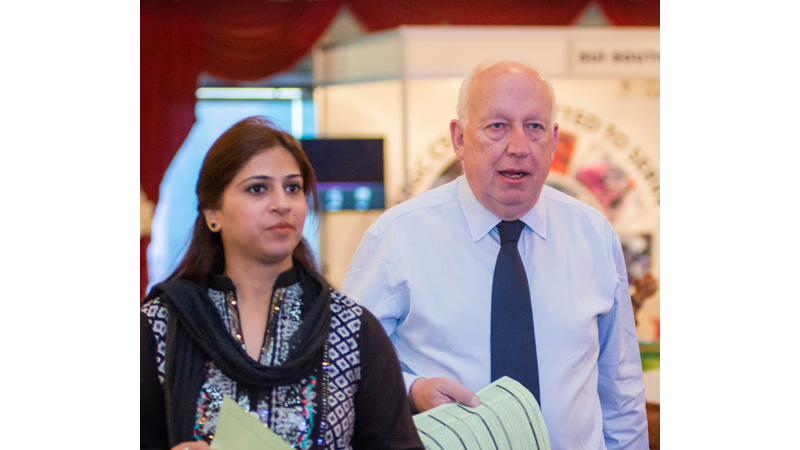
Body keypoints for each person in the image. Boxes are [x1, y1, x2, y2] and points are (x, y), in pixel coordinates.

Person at [341, 61, 648, 449]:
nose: (519, 147)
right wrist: (412, 390)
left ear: (554, 139)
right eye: (497, 126)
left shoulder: (593, 235)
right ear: (459, 138)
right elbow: (345, 368)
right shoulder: (397, 238)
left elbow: (620, 389)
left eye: (534, 127)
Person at [140, 116, 424, 450]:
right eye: (257, 189)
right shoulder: (161, 325)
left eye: (293, 188)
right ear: (213, 213)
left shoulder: (350, 329)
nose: (282, 204)